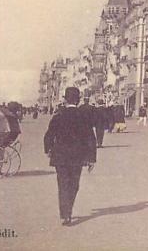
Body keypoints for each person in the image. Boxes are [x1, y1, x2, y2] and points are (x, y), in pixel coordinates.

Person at [43, 87, 97, 226]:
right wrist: (91, 159)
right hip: (77, 157)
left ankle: (64, 213)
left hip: (60, 156)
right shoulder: (83, 116)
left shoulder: (58, 116)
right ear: (78, 99)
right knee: (74, 184)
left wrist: (48, 149)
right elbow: (91, 138)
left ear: (65, 99)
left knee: (62, 184)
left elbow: (49, 135)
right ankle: (69, 212)